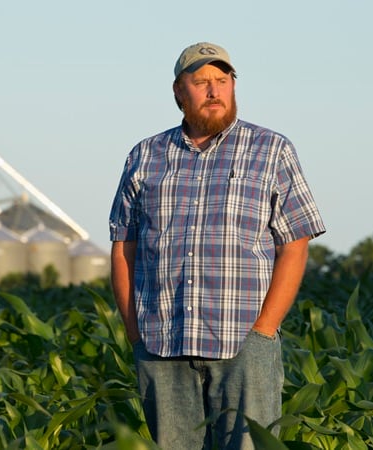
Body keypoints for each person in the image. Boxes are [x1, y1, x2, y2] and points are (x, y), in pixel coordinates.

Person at [108, 41, 326, 449]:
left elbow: (294, 244)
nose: (214, 91)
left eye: (223, 81)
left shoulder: (271, 150)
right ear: (179, 92)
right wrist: (135, 333)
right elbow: (124, 248)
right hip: (161, 343)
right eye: (201, 81)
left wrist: (264, 330)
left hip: (243, 342)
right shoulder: (146, 155)